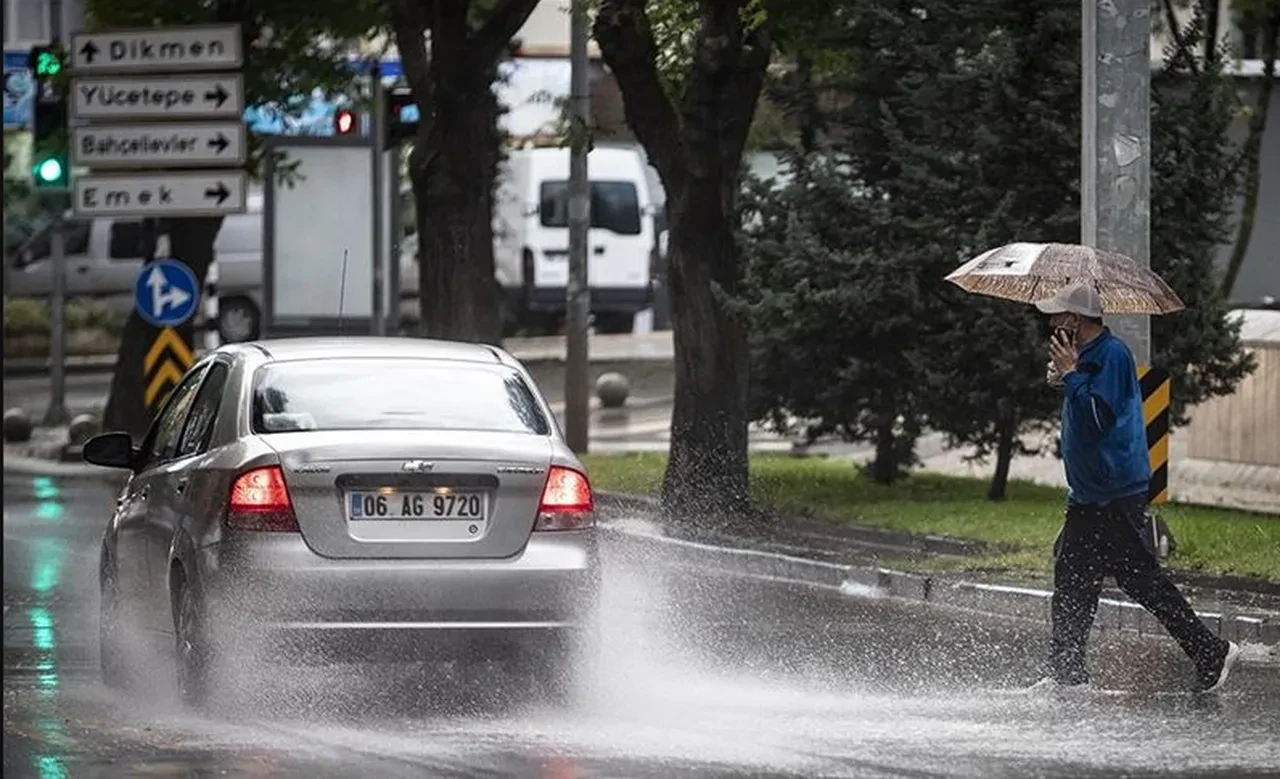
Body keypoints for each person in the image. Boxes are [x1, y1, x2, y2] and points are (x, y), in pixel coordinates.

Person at [1034, 282, 1240, 692]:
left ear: (1075, 319)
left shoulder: (1111, 356)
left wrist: (1072, 375)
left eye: (1058, 315)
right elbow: (1080, 399)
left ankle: (1210, 652)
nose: (1052, 321)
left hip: (1113, 490)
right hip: (1090, 492)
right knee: (1075, 577)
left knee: (1136, 578)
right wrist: (1062, 375)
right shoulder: (1085, 355)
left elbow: (1097, 417)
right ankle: (1067, 673)